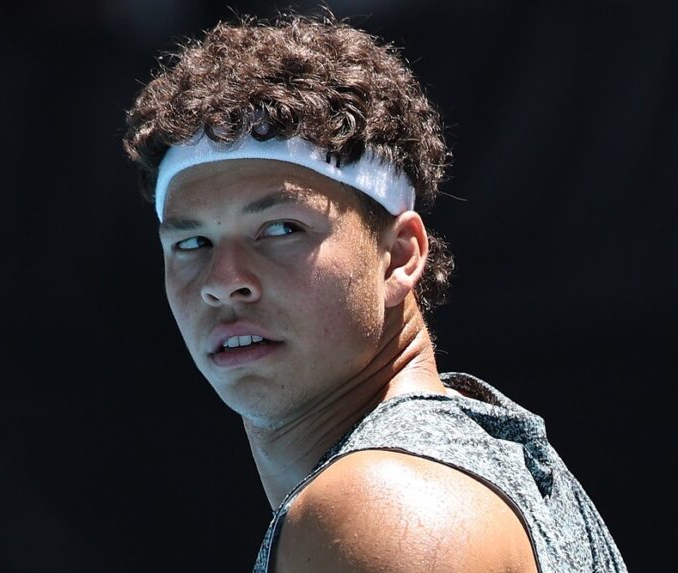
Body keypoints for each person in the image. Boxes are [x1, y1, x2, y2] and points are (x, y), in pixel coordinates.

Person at [122, 9, 627, 573]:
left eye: (281, 229)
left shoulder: (383, 511)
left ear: (400, 256)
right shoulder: (433, 476)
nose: (223, 282)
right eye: (192, 243)